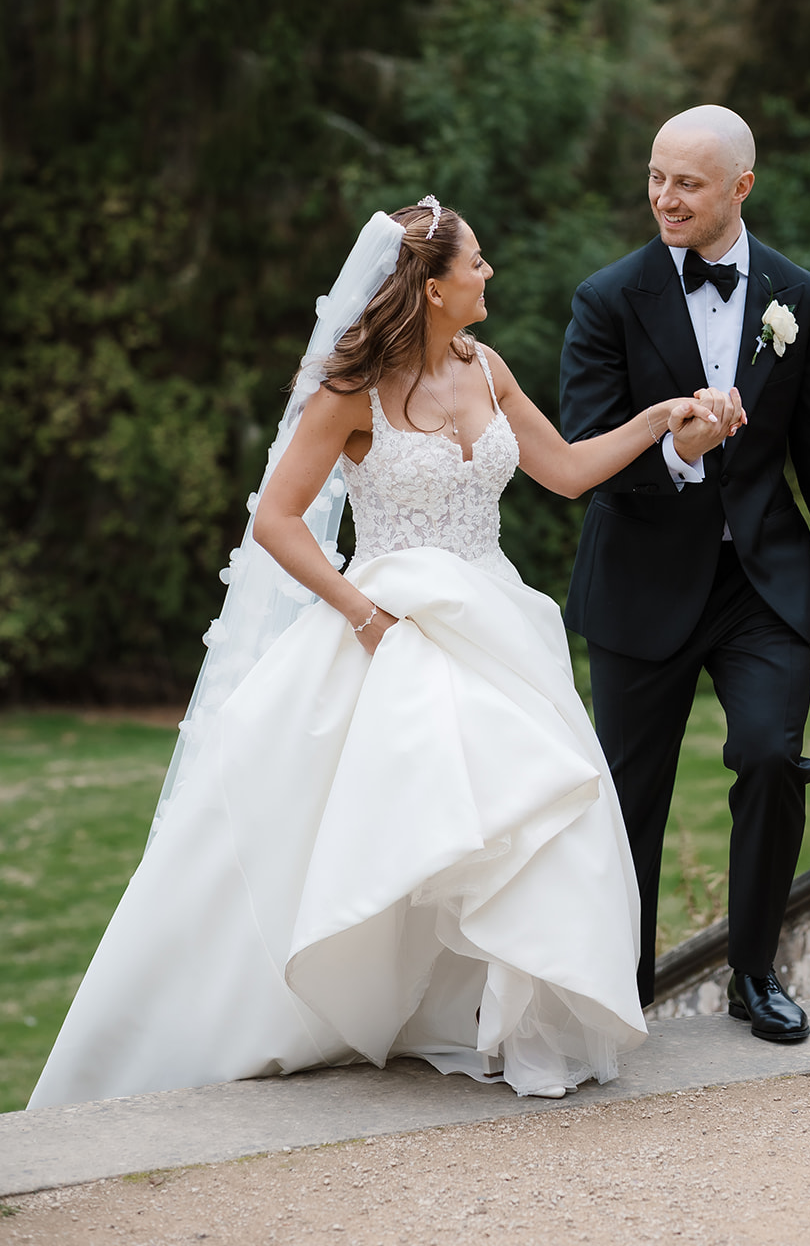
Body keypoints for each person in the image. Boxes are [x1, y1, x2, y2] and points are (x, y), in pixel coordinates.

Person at [29, 199, 738, 1110]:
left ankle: (501, 1016)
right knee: (408, 814)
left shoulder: (486, 366)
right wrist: (361, 614)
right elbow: (274, 521)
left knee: (524, 810)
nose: (489, 275)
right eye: (476, 263)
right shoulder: (350, 391)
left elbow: (562, 471)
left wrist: (659, 420)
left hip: (493, 621)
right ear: (432, 286)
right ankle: (328, 1009)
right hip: (390, 623)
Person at [560, 106, 810, 1043]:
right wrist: (680, 454)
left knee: (768, 756)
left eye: (688, 183)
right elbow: (584, 448)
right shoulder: (605, 298)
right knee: (628, 799)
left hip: (761, 583)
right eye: (657, 177)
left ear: (739, 188)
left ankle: (754, 973)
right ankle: (619, 993)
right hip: (638, 581)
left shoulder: (801, 297)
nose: (665, 197)